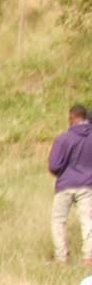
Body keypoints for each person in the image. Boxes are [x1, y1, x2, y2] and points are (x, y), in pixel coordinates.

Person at [49, 104, 92, 265]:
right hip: (88, 185)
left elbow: (54, 165)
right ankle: (89, 257)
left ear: (72, 118)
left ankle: (62, 258)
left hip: (66, 184)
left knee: (59, 220)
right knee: (88, 220)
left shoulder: (64, 138)